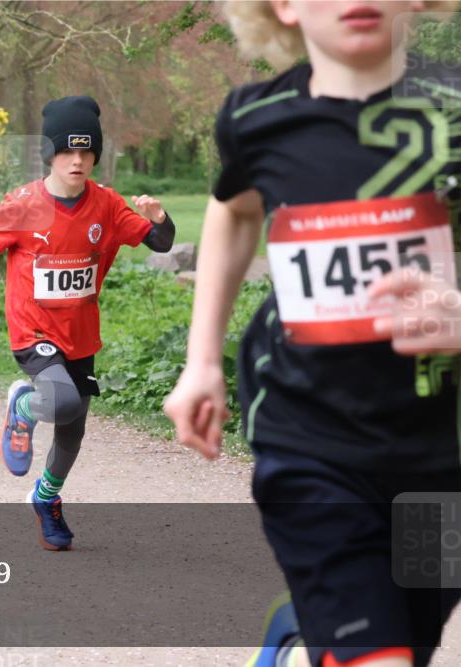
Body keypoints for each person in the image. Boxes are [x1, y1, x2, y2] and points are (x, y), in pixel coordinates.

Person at [162, 2, 461, 666]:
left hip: (444, 455)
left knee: (407, 638)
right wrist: (202, 359)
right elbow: (235, 210)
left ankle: (301, 647)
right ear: (283, 6)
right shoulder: (256, 119)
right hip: (309, 439)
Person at [0, 96, 176, 550]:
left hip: (81, 335)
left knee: (72, 430)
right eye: (67, 150)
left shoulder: (107, 204)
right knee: (63, 401)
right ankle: (23, 409)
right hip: (32, 330)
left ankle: (46, 498)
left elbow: (161, 242)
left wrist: (160, 218)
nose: (77, 160)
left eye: (86, 151)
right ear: (49, 153)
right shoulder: (23, 204)